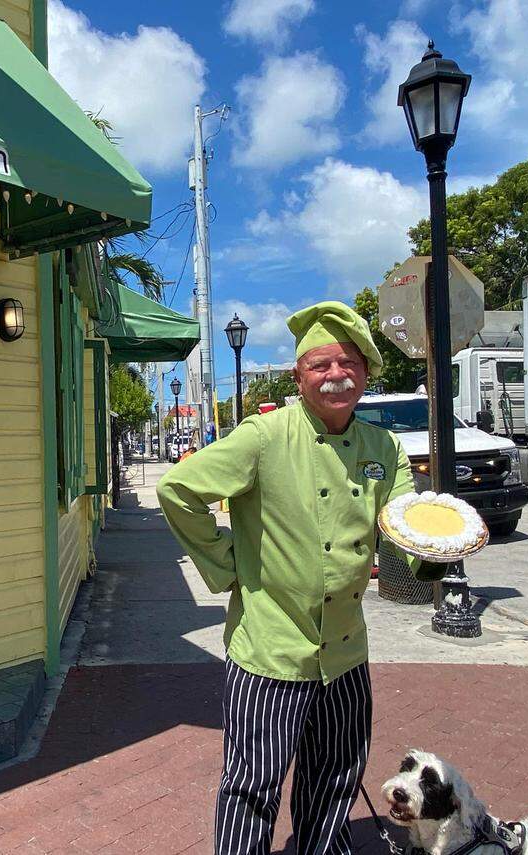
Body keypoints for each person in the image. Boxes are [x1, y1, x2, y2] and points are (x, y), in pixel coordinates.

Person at [157, 300, 439, 854]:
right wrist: (229, 564)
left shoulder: (383, 447)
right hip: (270, 651)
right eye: (321, 366)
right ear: (299, 376)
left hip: (346, 656)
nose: (336, 376)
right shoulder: (263, 437)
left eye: (348, 363)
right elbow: (178, 489)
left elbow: (405, 521)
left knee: (334, 783)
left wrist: (434, 549)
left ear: (366, 370)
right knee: (250, 787)